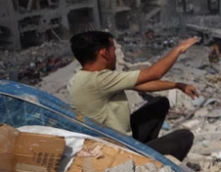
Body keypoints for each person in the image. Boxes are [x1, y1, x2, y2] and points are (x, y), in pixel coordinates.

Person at [67, 31, 200, 161]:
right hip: (116, 151)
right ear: (104, 53)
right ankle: (150, 165)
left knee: (160, 103)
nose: (115, 55)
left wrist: (177, 85)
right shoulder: (97, 81)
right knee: (184, 137)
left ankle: (147, 150)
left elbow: (140, 84)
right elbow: (155, 73)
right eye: (113, 50)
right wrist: (178, 49)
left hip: (120, 138)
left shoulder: (85, 78)